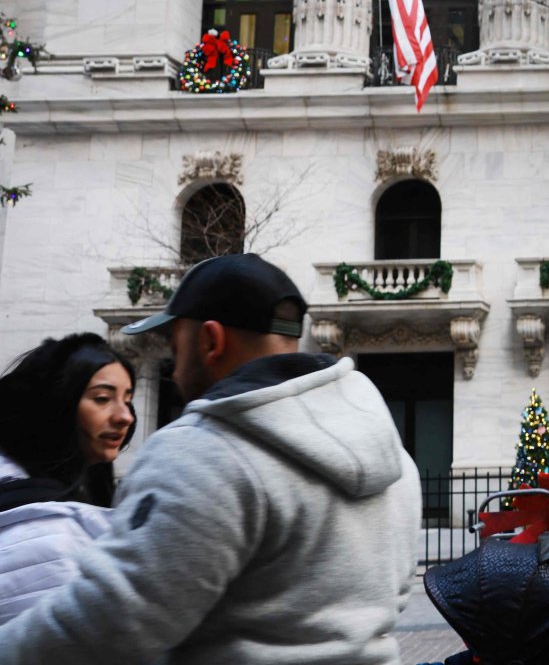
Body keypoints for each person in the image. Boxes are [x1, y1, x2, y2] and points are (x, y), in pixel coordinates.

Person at [0, 254, 422, 664]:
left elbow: (112, 624)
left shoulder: (200, 451)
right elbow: (395, 596)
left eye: (175, 347)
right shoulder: (396, 461)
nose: (174, 371)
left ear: (211, 341)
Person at [0, 334, 135, 624]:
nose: (125, 416)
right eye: (102, 399)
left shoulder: (82, 487)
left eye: (127, 399)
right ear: (58, 405)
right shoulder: (48, 535)